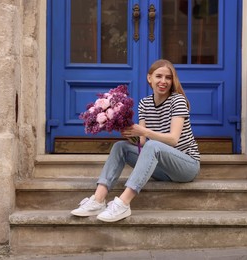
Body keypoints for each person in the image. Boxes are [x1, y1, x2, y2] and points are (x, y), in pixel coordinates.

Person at [71, 59, 200, 222]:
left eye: (168, 78)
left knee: (154, 145)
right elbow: (142, 143)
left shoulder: (177, 101)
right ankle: (98, 199)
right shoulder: (144, 103)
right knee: (120, 147)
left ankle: (123, 203)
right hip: (161, 169)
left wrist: (143, 131)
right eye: (158, 76)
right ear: (149, 78)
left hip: (186, 165)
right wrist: (128, 132)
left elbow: (173, 140)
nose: (163, 81)